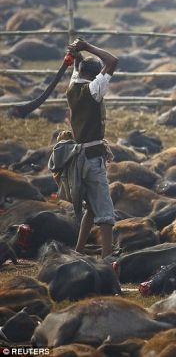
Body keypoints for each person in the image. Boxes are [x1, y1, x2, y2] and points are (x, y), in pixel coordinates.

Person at [66, 40, 119, 258]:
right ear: (96, 76)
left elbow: (79, 70)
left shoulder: (73, 88)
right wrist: (87, 46)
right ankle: (107, 259)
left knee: (91, 206)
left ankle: (78, 250)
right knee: (105, 213)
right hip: (92, 159)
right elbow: (113, 61)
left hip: (79, 158)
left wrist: (76, 54)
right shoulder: (93, 90)